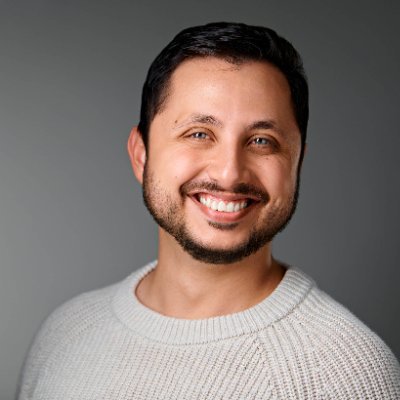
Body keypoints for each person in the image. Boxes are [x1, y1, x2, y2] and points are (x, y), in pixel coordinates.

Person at [17, 22, 400, 399]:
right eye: (199, 134)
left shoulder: (347, 375)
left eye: (262, 141)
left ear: (297, 162)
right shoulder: (65, 334)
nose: (229, 173)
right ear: (141, 155)